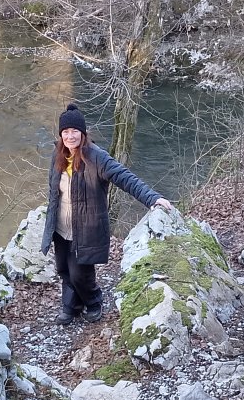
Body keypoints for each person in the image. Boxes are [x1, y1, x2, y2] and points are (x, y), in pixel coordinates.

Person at [40, 104, 174, 325]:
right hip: (60, 226)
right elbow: (53, 190)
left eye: (75, 131)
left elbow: (125, 177)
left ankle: (93, 301)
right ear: (61, 134)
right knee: (64, 268)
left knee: (79, 273)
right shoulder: (58, 155)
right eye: (65, 132)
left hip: (86, 226)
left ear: (83, 134)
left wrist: (152, 198)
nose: (70, 136)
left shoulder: (96, 157)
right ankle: (71, 306)